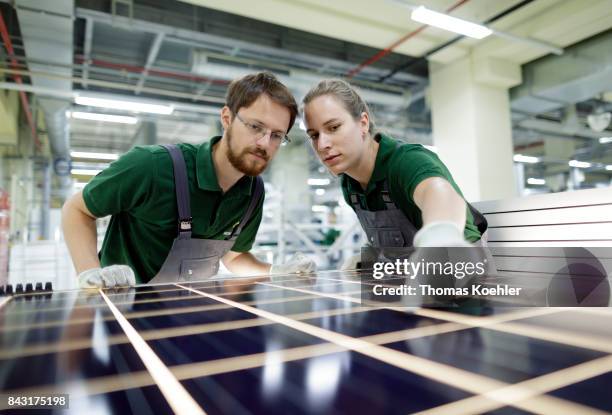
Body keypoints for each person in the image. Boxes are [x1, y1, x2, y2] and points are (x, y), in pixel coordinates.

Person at [63, 72, 316, 288]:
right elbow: (76, 210)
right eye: (255, 127)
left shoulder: (253, 193)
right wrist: (89, 273)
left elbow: (235, 259)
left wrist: (275, 272)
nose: (264, 143)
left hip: (189, 318)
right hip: (125, 318)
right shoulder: (151, 166)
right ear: (227, 118)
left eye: (276, 135)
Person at [301, 79, 489, 270]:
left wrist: (440, 237)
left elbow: (439, 192)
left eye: (333, 127)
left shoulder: (406, 161)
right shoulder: (350, 185)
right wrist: (370, 256)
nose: (322, 144)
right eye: (314, 135)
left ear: (363, 123)